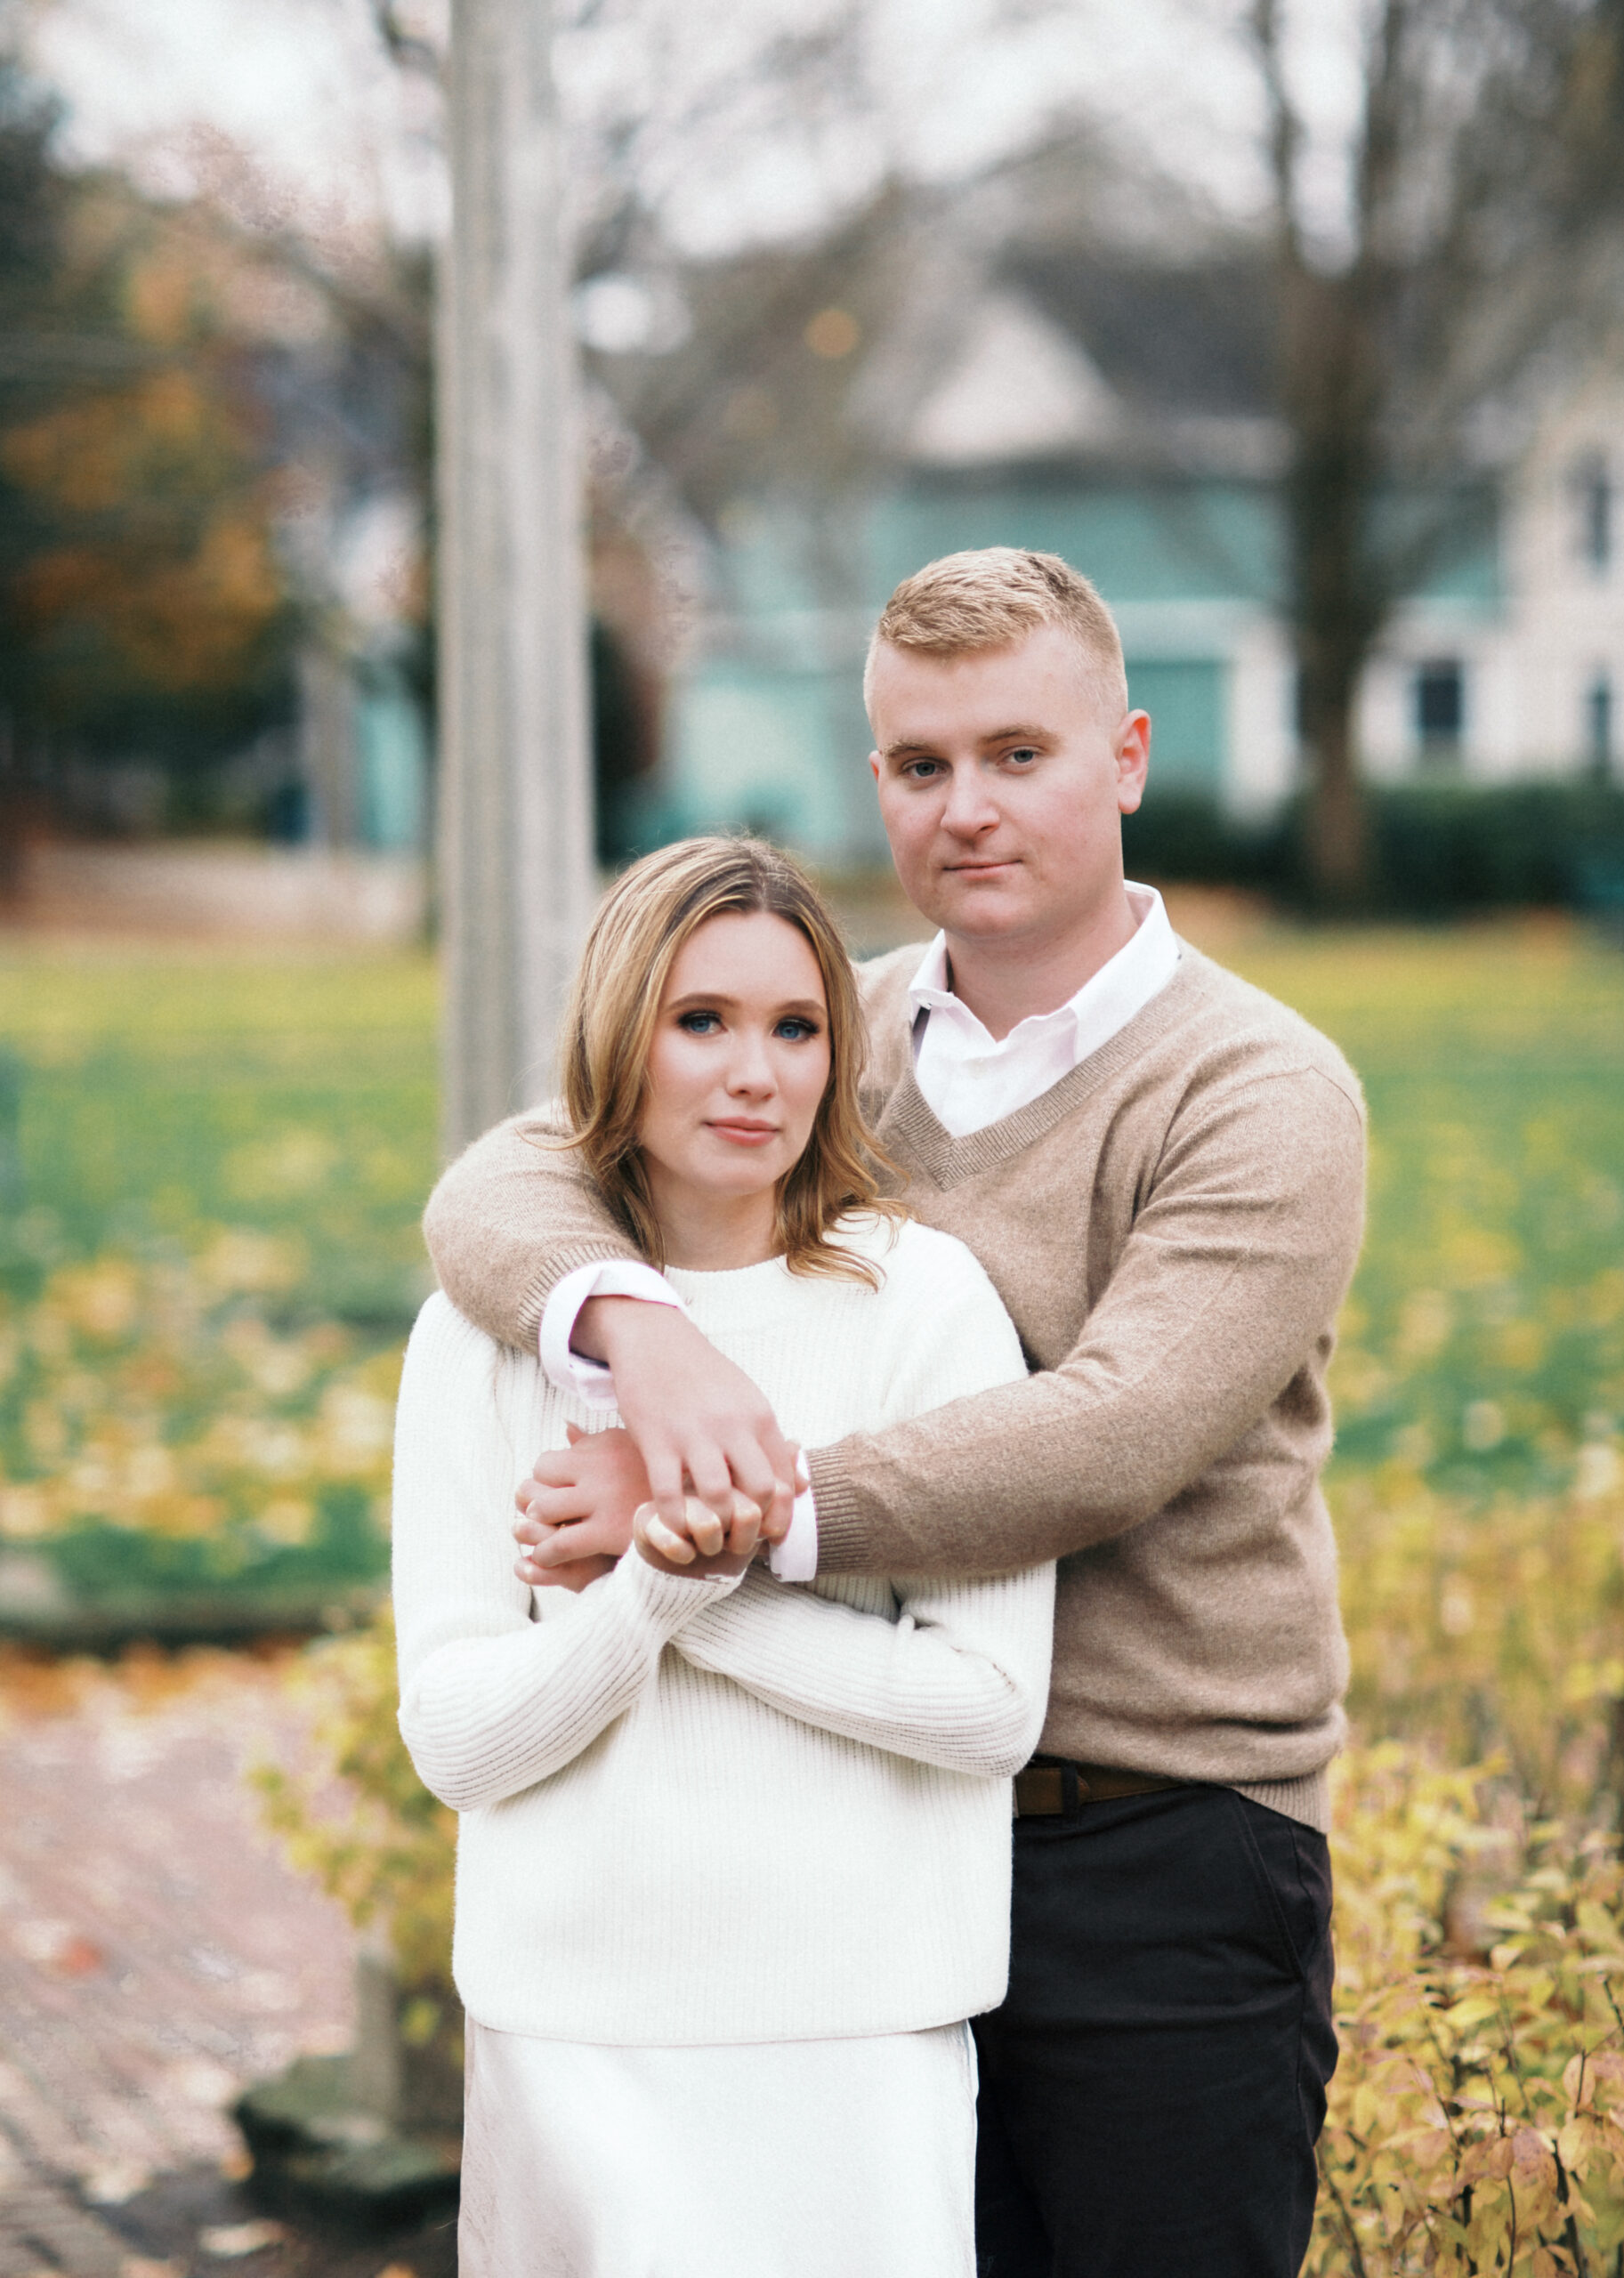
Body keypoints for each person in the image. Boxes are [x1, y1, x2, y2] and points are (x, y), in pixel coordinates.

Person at [423, 547, 1368, 2278]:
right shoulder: (819, 1030)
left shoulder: (1257, 1089)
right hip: (860, 1829)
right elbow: (499, 1184)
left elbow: (1108, 1435)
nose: (967, 807)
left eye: (1018, 753)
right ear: (877, 779)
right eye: (922, 763)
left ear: (1128, 757)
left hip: (1161, 1840)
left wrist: (707, 1513)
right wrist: (639, 1330)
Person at [392, 835, 1054, 2278]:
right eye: (701, 1021)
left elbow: (989, 1707)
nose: (755, 1073)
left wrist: (692, 1584)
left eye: (795, 1028)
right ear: (618, 1035)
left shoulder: (923, 1303)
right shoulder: (486, 1336)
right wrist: (656, 1592)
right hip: (571, 2032)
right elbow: (456, 1740)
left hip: (860, 2030)